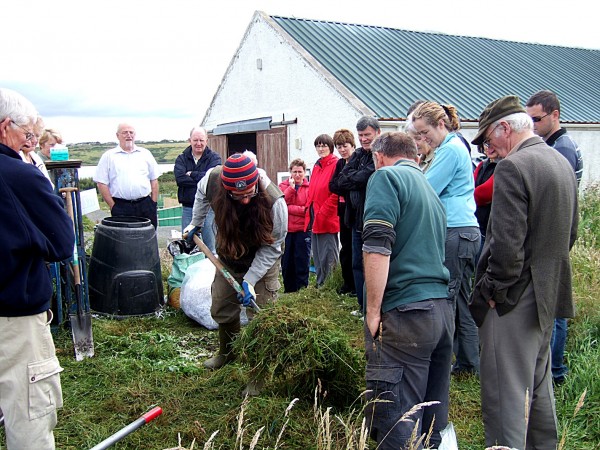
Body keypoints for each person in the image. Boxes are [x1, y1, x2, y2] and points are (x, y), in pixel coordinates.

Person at [469, 95, 578, 449]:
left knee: (505, 399)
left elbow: (505, 247)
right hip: (547, 294)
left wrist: (492, 293)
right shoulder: (558, 160)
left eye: (488, 140)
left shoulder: (514, 167)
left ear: (505, 128)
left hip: (513, 299)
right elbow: (571, 232)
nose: (489, 150)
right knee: (538, 390)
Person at [363, 132, 452, 449]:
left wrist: (372, 311)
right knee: (429, 420)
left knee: (397, 423)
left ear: (378, 157)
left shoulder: (386, 177)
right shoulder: (430, 188)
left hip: (407, 315)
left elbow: (377, 245)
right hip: (441, 313)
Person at [0, 87, 75, 450]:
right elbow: (62, 242)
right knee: (28, 417)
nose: (28, 141)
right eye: (25, 133)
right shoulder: (19, 174)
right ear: (4, 129)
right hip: (14, 321)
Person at [184, 153, 287, 377]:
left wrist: (250, 280)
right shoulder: (213, 179)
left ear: (256, 184)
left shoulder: (275, 202)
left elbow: (273, 248)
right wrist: (196, 222)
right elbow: (201, 195)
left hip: (262, 261)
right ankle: (227, 353)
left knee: (262, 319)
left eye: (249, 193)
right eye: (238, 196)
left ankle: (259, 373)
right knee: (221, 307)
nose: (245, 200)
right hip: (229, 258)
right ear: (226, 189)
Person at [411, 101, 481, 376]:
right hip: (465, 231)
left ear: (441, 124)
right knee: (461, 299)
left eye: (424, 132)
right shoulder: (452, 147)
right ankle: (468, 362)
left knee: (447, 298)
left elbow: (427, 188)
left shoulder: (450, 150)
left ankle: (441, 361)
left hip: (455, 231)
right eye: (417, 134)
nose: (422, 139)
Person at [526, 90, 584, 385]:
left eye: (536, 119)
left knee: (555, 308)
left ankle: (555, 371)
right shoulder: (552, 144)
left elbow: (561, 201)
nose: (532, 125)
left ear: (555, 115)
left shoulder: (562, 148)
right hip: (552, 237)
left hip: (554, 237)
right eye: (529, 119)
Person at [333, 116, 379, 310]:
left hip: (372, 218)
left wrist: (355, 179)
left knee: (373, 267)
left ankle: (373, 307)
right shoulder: (359, 154)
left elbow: (367, 176)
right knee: (356, 264)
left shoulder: (380, 153)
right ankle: (362, 306)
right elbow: (339, 181)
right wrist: (356, 179)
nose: (364, 139)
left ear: (377, 132)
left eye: (367, 134)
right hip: (354, 219)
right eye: (360, 135)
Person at [94, 123, 160, 228]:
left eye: (131, 132)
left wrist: (153, 203)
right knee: (124, 242)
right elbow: (101, 183)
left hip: (145, 205)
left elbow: (154, 180)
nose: (128, 135)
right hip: (121, 207)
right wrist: (113, 206)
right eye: (124, 132)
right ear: (117, 135)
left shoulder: (145, 154)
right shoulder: (108, 156)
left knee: (148, 240)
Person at [174, 126, 221, 252]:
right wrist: (203, 177)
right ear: (190, 140)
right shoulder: (181, 158)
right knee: (188, 245)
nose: (198, 143)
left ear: (207, 140)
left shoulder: (215, 158)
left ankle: (212, 271)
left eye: (201, 140)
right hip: (188, 208)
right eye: (195, 140)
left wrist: (192, 174)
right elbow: (180, 179)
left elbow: (213, 179)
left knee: (210, 247)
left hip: (209, 209)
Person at [305, 134, 340, 286]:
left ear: (330, 147)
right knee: (318, 254)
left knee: (328, 253)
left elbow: (336, 192)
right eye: (318, 146)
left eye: (324, 145)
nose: (321, 149)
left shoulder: (335, 164)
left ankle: (330, 284)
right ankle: (320, 284)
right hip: (315, 214)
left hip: (327, 215)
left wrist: (324, 211)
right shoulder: (317, 165)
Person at [329, 128, 356, 296]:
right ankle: (347, 283)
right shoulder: (340, 163)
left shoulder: (356, 160)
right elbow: (333, 185)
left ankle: (356, 285)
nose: (342, 150)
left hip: (354, 209)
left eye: (344, 146)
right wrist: (344, 185)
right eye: (339, 147)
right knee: (345, 247)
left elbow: (353, 184)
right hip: (342, 209)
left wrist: (343, 184)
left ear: (352, 144)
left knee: (355, 248)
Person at [279, 159, 311, 292]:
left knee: (302, 260)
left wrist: (290, 208)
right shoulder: (282, 186)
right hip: (287, 230)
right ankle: (289, 289)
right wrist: (291, 190)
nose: (297, 175)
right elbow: (281, 204)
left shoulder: (309, 188)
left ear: (304, 173)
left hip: (303, 229)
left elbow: (308, 209)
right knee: (287, 261)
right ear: (290, 172)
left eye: (300, 172)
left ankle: (302, 289)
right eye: (294, 172)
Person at [473, 143, 501, 253]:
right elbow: (470, 188)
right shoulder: (482, 165)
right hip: (478, 223)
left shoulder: (504, 165)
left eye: (492, 143)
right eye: (486, 144)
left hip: (491, 228)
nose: (489, 148)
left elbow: (482, 195)